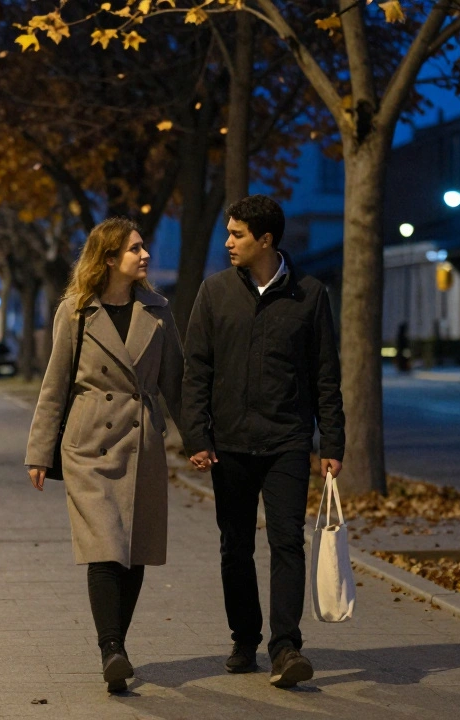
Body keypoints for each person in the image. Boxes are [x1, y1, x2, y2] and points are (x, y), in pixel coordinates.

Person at [182, 195, 345, 689]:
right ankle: (243, 638)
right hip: (228, 444)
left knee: (287, 543)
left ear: (266, 239)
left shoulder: (310, 295)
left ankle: (285, 647)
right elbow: (197, 373)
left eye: (237, 235)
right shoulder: (214, 293)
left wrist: (331, 442)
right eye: (228, 233)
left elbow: (325, 377)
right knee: (235, 547)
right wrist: (197, 434)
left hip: (287, 442)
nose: (228, 242)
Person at [25, 217, 184, 694]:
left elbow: (176, 382)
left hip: (141, 441)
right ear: (110, 258)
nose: (145, 256)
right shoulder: (75, 310)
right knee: (105, 544)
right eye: (135, 249)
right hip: (88, 442)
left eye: (144, 247)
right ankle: (110, 649)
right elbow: (55, 385)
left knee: (133, 551)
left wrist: (198, 442)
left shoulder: (157, 311)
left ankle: (118, 649)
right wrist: (39, 451)